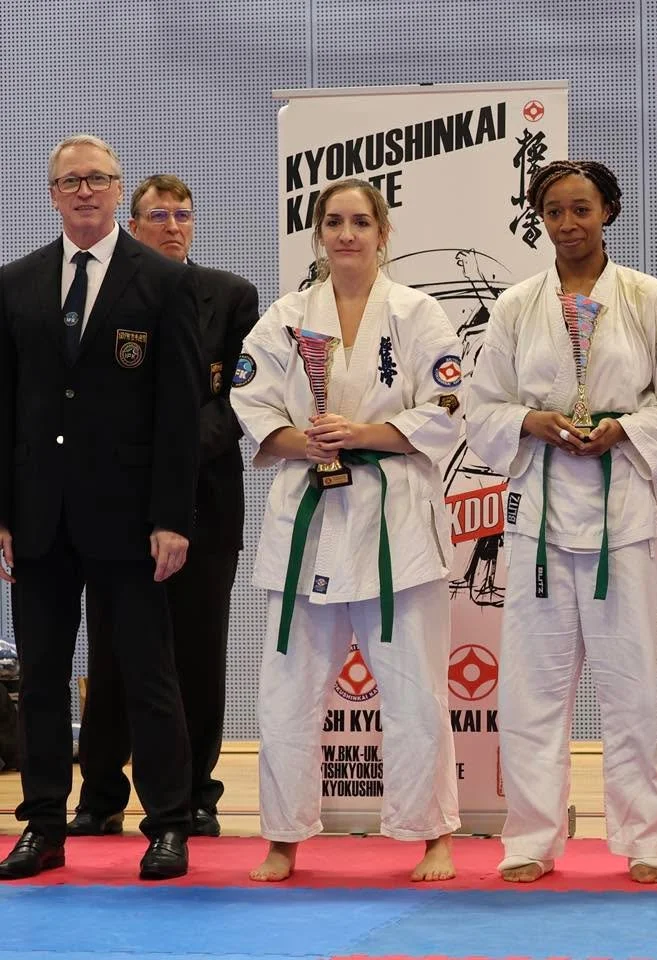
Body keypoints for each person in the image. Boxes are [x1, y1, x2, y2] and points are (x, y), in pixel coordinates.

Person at [465, 159, 657, 884]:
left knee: (630, 686)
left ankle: (646, 841)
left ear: (609, 212)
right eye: (555, 212)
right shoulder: (515, 305)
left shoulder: (649, 298)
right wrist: (531, 419)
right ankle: (531, 838)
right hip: (539, 511)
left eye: (581, 209)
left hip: (620, 515)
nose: (568, 224)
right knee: (533, 688)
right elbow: (481, 405)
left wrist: (625, 429)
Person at [231, 178, 462, 883]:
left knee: (416, 691)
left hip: (396, 522)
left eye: (361, 221)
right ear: (318, 234)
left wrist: (363, 432)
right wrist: (303, 440)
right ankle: (284, 835)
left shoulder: (419, 314)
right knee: (287, 689)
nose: (347, 234)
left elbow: (451, 404)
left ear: (382, 232)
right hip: (309, 517)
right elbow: (249, 395)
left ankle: (431, 834)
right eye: (333, 222)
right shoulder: (285, 316)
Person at [0, 135, 201, 880]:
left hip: (133, 518)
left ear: (118, 191)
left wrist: (173, 516)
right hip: (41, 516)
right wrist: (3, 514)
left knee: (148, 676)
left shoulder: (163, 282)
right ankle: (44, 823)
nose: (84, 191)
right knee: (44, 678)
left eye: (97, 179)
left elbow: (180, 411)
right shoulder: (15, 284)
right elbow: (5, 408)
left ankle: (170, 823)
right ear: (51, 194)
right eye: (69, 181)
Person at [70, 174, 257, 839]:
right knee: (115, 654)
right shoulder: (107, 292)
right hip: (117, 509)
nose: (173, 225)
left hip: (203, 502)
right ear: (134, 221)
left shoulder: (232, 297)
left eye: (184, 214)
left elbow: (240, 403)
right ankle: (99, 794)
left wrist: (166, 460)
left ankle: (195, 794)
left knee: (197, 655)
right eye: (158, 215)